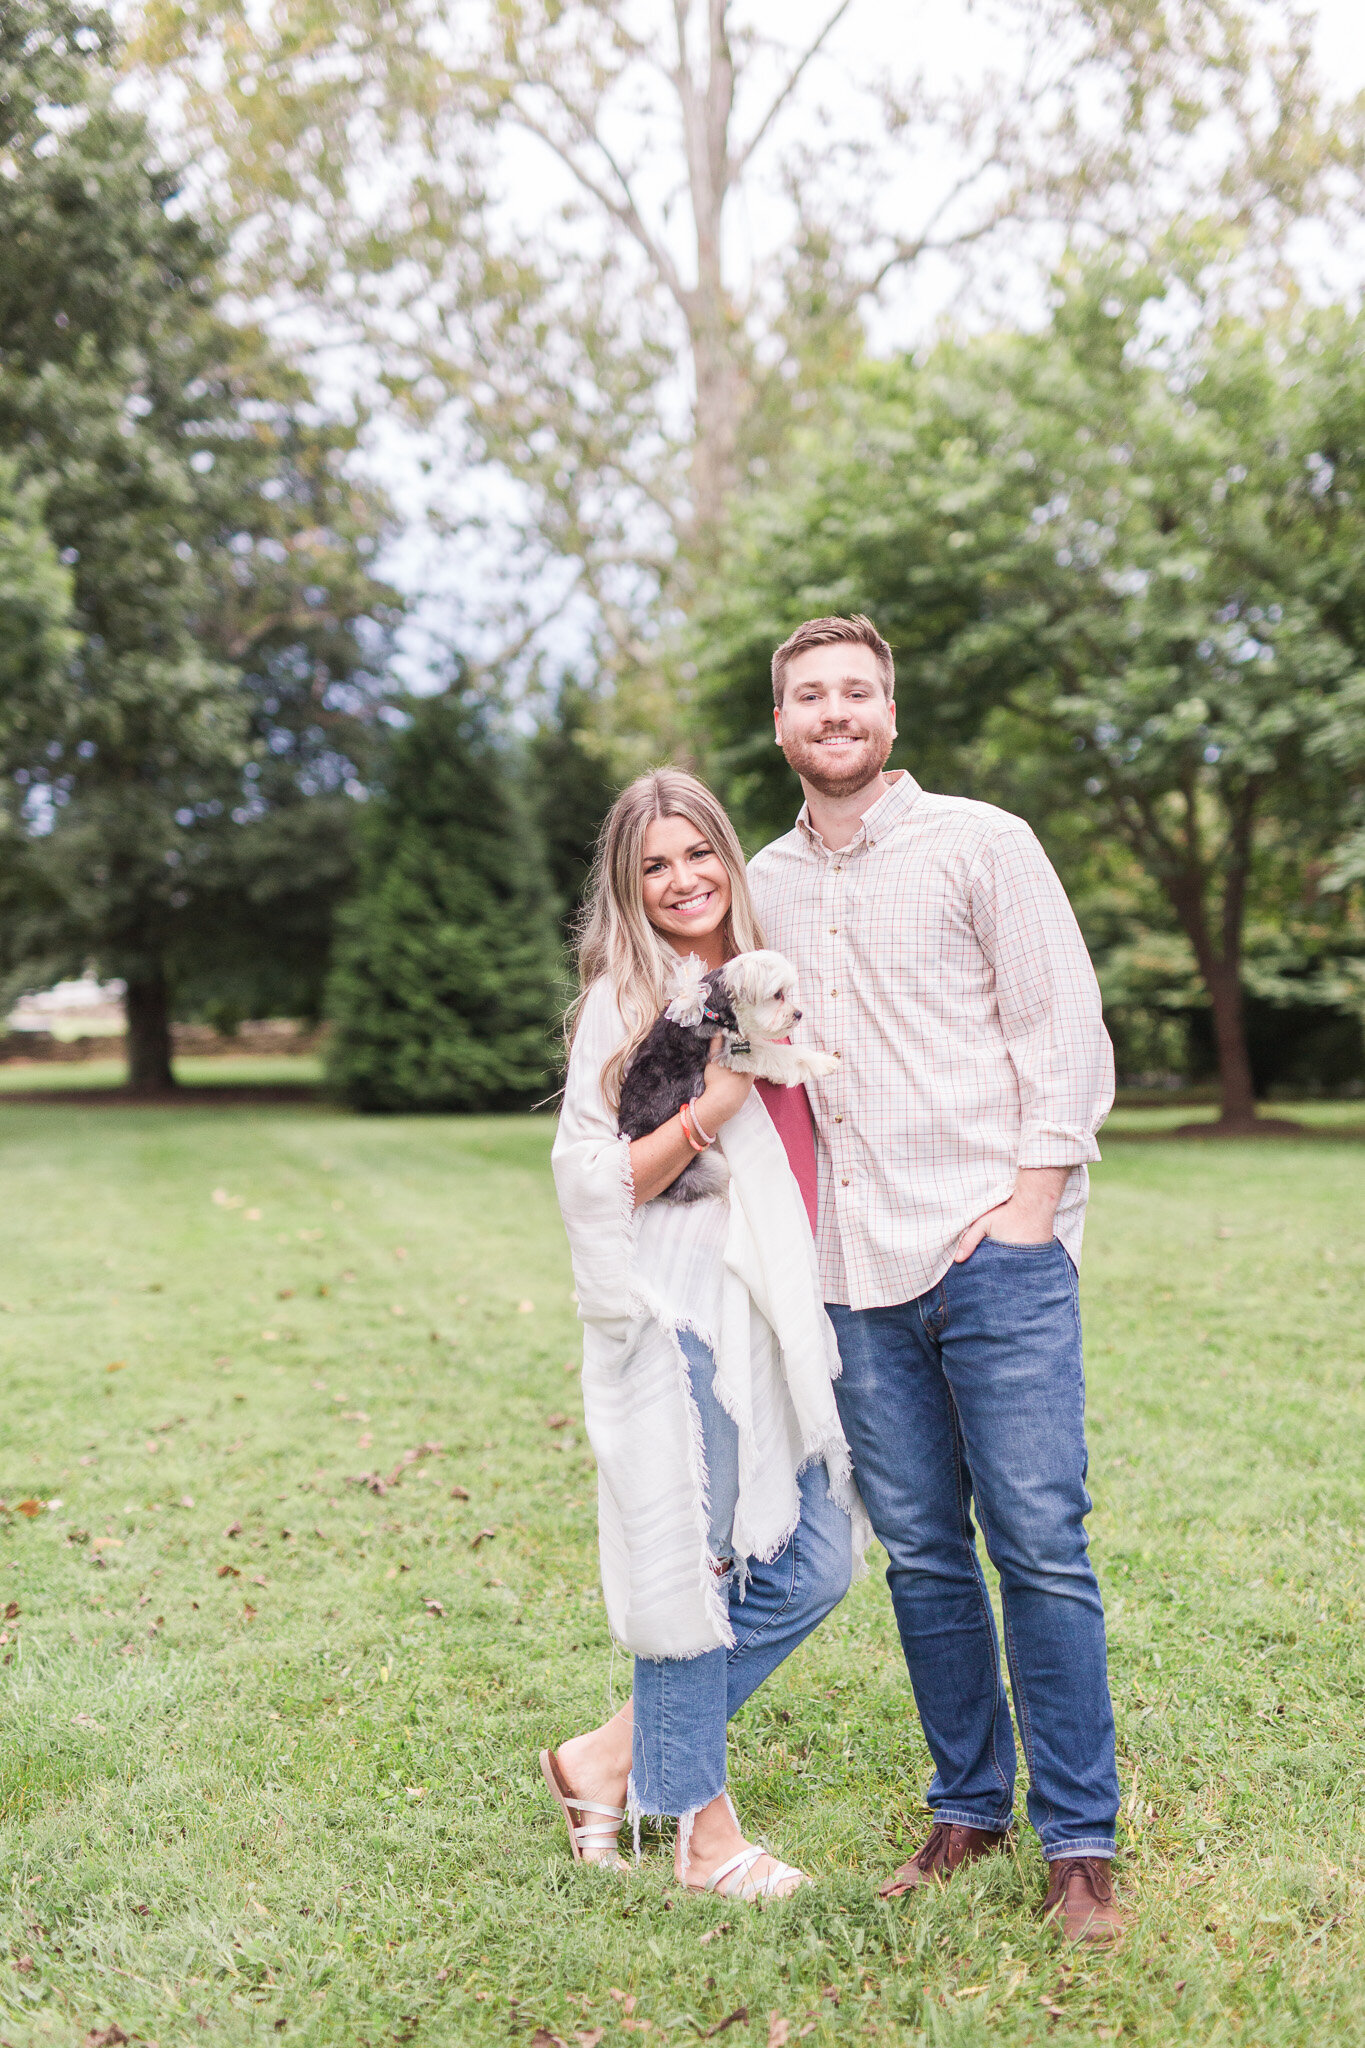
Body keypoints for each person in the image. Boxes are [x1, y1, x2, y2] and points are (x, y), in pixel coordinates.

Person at [748, 615, 1126, 1945]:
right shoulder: (760, 885)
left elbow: (1058, 1027)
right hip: (851, 1278)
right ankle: (968, 1808)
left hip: (991, 1256)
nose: (834, 711)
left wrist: (1029, 1209)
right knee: (920, 1554)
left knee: (1039, 1544)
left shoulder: (984, 842)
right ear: (781, 724)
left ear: (889, 717)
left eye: (857, 691)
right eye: (810, 695)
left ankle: (1081, 1845)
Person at [545, 769, 869, 1902]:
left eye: (699, 855)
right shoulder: (625, 1001)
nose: (684, 880)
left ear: (731, 860)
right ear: (628, 888)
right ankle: (703, 1835)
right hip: (682, 1311)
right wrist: (704, 1113)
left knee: (817, 1562)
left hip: (778, 1309)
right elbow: (591, 1179)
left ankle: (604, 1758)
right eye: (655, 865)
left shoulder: (769, 982)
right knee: (704, 1563)